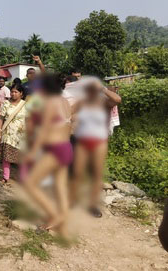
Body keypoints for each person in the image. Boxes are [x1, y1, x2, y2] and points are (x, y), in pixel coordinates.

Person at [23, 74, 72, 237]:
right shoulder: (65, 102)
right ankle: (62, 219)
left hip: (55, 150)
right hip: (66, 147)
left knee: (31, 183)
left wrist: (33, 152)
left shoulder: (50, 102)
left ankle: (54, 216)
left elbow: (44, 130)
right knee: (60, 186)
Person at [69, 78, 121, 218]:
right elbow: (68, 113)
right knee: (77, 172)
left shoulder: (104, 102)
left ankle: (91, 205)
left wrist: (103, 89)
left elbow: (117, 100)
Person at [0, 82, 27, 183]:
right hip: (8, 134)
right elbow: (1, 117)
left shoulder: (25, 105)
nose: (13, 94)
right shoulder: (6, 104)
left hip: (21, 136)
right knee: (6, 156)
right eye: (12, 92)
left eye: (16, 92)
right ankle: (6, 177)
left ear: (21, 93)